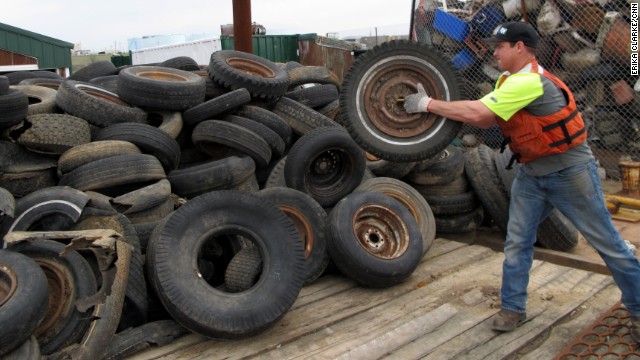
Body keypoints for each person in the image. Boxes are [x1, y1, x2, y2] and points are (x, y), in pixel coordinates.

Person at [403, 21, 640, 338]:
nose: (495, 51)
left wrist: (427, 105)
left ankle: (638, 311)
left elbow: (480, 114)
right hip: (531, 173)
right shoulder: (507, 80)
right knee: (517, 242)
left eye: (500, 46)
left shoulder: (530, 82)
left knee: (608, 245)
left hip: (570, 174)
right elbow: (482, 110)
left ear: (519, 48)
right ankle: (513, 309)